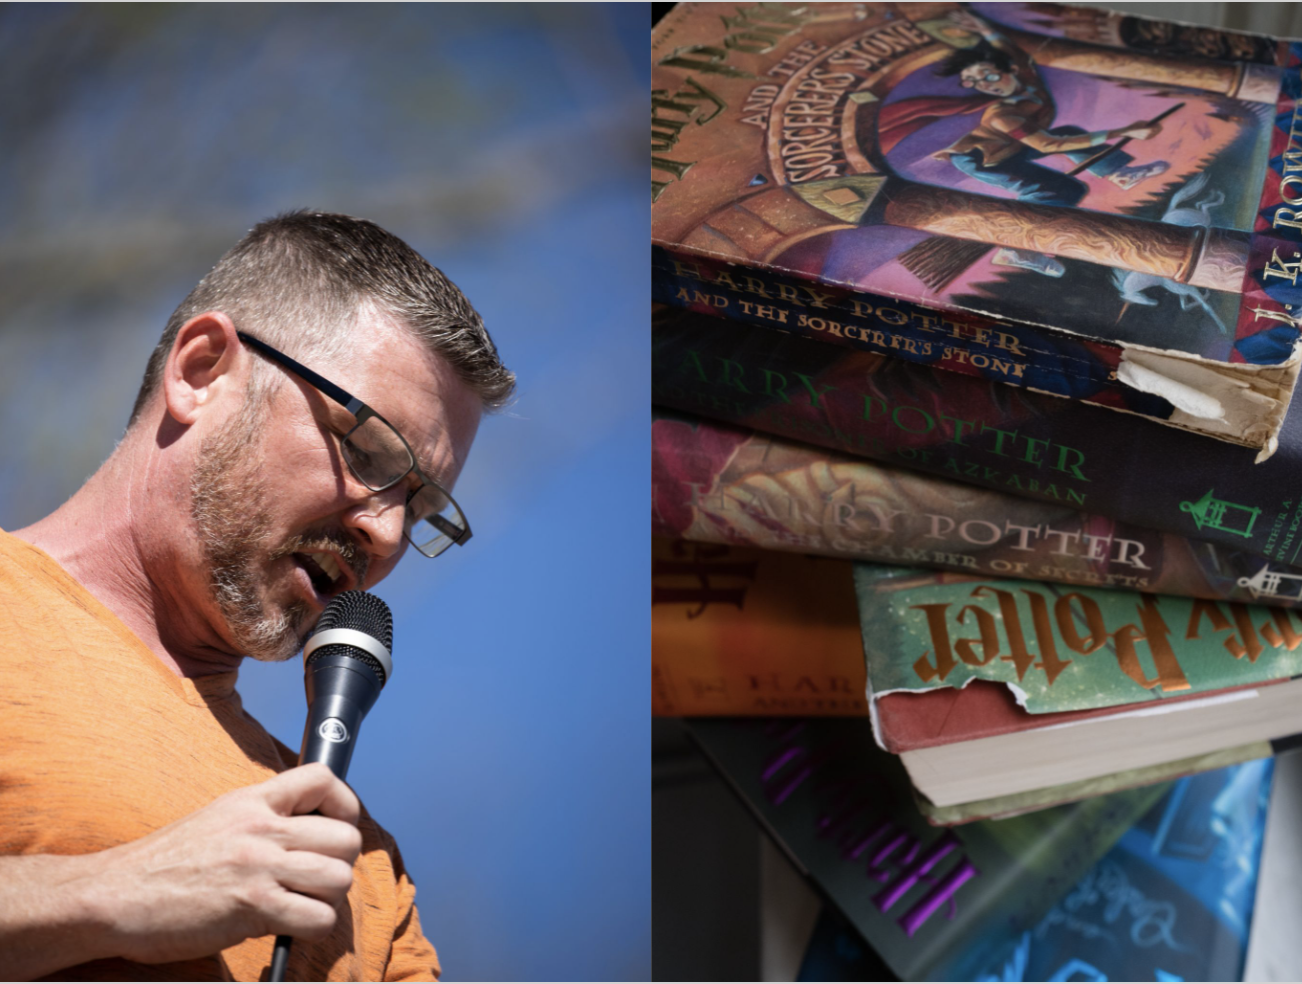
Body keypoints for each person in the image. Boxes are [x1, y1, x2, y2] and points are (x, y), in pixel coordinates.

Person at [0, 211, 514, 980]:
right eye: (369, 451)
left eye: (423, 510)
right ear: (201, 371)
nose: (387, 534)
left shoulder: (359, 868)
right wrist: (102, 894)